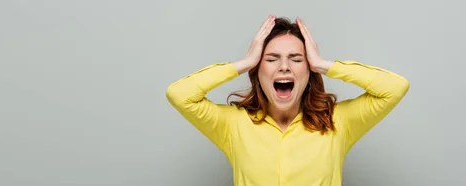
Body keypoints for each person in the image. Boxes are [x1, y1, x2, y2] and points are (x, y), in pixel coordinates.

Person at [165, 15, 410, 186]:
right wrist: (243, 63)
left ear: (309, 71)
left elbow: (395, 88)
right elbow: (180, 95)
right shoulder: (234, 125)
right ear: (258, 72)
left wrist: (325, 65)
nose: (284, 67)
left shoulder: (338, 121)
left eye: (296, 59)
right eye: (271, 60)